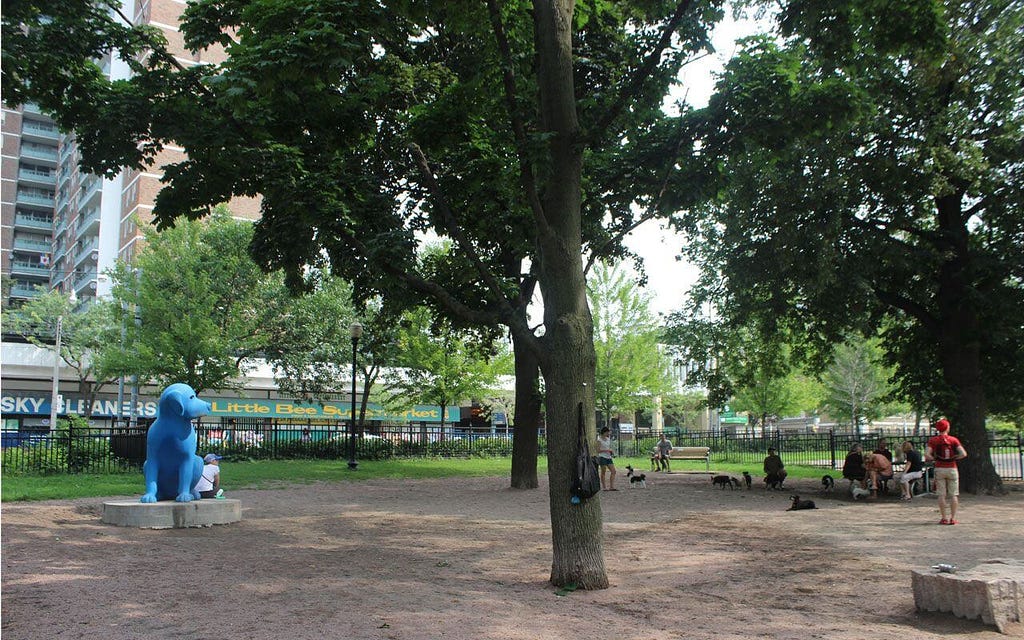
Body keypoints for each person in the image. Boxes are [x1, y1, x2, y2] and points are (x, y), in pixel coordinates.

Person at [925, 418, 968, 525]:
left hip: (940, 468)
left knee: (941, 494)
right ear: (947, 427)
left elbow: (927, 455)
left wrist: (935, 459)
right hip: (952, 468)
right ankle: (953, 518)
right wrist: (954, 458)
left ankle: (944, 518)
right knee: (954, 494)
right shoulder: (953, 440)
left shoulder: (933, 440)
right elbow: (963, 454)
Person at [596, 427, 617, 491]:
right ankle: (604, 487)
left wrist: (611, 451)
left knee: (613, 471)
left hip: (608, 457)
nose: (608, 433)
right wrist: (606, 450)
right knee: (603, 472)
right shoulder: (599, 440)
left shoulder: (608, 439)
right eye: (607, 432)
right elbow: (598, 450)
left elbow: (609, 447)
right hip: (602, 457)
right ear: (604, 432)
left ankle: (611, 486)